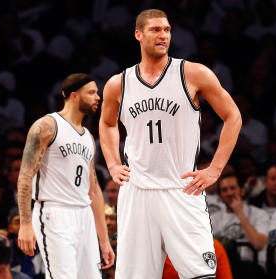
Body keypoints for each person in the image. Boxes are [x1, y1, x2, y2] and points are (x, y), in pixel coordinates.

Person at [99, 9, 242, 279]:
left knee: (202, 274)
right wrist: (112, 163)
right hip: (137, 191)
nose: (163, 35)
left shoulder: (193, 73)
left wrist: (215, 169)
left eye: (166, 29)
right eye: (155, 30)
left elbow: (233, 116)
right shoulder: (118, 84)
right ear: (138, 35)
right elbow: (107, 123)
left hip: (182, 188)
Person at [17, 73, 114, 279]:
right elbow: (25, 176)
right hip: (54, 213)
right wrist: (25, 224)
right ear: (74, 96)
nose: (98, 97)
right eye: (92, 93)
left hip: (84, 214)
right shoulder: (47, 126)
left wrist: (104, 241)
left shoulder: (88, 136)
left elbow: (94, 189)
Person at [210, 172, 269, 276]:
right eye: (224, 190)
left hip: (251, 269)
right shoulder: (213, 219)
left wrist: (240, 213)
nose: (229, 193)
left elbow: (259, 244)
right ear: (221, 196)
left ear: (242, 191)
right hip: (221, 267)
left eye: (233, 188)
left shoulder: (259, 214)